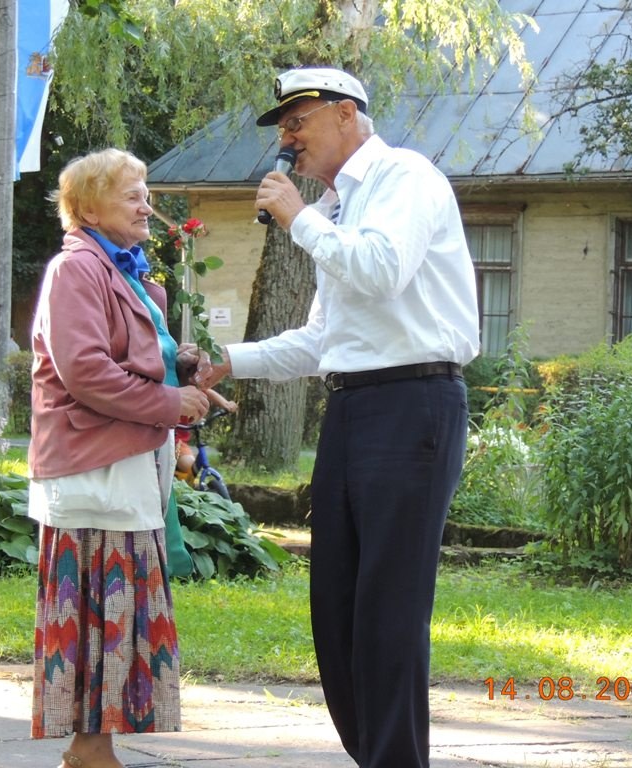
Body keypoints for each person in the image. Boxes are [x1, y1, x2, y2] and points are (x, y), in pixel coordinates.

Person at [195, 66, 480, 768]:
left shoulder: (404, 177)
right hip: (352, 406)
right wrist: (230, 360)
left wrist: (300, 220)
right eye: (283, 128)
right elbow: (323, 340)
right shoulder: (338, 207)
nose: (287, 139)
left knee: (389, 606)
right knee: (338, 605)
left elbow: (382, 269)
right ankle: (375, 755)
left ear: (347, 113)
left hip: (414, 403)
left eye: (298, 121)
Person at [26, 147, 210, 768]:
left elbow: (130, 356)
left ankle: (91, 748)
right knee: (100, 609)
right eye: (132, 195)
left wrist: (182, 369)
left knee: (118, 610)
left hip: (121, 465)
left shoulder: (120, 270)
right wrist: (168, 401)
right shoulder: (76, 268)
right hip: (93, 468)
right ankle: (90, 751)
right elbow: (84, 370)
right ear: (89, 209)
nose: (146, 206)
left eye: (146, 194)